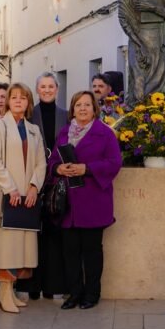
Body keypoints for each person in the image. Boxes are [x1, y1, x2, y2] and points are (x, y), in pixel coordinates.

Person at [48, 90, 122, 310]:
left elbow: (114, 163)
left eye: (87, 105)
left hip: (94, 202)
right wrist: (58, 168)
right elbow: (51, 161)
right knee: (70, 252)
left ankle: (92, 293)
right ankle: (74, 292)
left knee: (91, 251)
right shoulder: (63, 133)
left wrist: (87, 168)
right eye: (78, 105)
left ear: (94, 109)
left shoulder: (105, 133)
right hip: (68, 204)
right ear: (72, 109)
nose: (82, 109)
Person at [0, 83, 47, 313]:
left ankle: (9, 289)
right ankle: (4, 290)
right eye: (14, 97)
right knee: (5, 246)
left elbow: (41, 162)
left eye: (23, 97)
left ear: (29, 102)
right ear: (8, 101)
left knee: (20, 247)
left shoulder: (34, 130)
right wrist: (11, 188)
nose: (18, 101)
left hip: (26, 196)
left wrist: (34, 186)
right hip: (5, 195)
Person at [27, 72, 68, 300]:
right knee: (34, 234)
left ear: (57, 89)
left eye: (51, 86)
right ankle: (33, 285)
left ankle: (51, 285)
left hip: (57, 182)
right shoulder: (29, 114)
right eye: (42, 86)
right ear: (37, 89)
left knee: (54, 235)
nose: (47, 90)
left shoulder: (66, 115)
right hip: (33, 180)